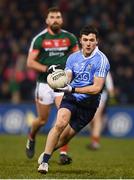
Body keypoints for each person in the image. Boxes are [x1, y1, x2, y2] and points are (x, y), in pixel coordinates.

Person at [37, 25, 110, 174]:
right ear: (80, 41)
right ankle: (45, 162)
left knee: (64, 139)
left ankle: (47, 152)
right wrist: (59, 79)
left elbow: (97, 88)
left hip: (88, 105)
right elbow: (68, 76)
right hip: (71, 98)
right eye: (85, 40)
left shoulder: (102, 60)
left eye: (91, 40)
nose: (88, 43)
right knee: (60, 123)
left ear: (97, 42)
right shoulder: (73, 57)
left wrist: (72, 88)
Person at [25, 6, 79, 165]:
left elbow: (77, 57)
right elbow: (30, 62)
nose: (55, 19)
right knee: (42, 120)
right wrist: (47, 69)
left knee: (63, 118)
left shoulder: (70, 38)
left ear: (62, 20)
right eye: (52, 17)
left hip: (62, 83)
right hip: (44, 83)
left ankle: (63, 152)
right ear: (47, 20)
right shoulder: (40, 39)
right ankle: (31, 136)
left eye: (58, 17)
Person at [87, 72, 115, 150]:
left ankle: (95, 142)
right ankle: (93, 140)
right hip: (88, 93)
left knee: (96, 116)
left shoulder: (103, 64)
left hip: (101, 94)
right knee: (91, 117)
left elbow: (108, 79)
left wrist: (111, 92)